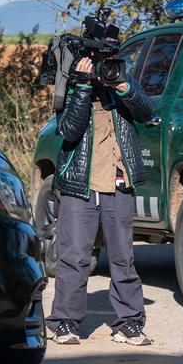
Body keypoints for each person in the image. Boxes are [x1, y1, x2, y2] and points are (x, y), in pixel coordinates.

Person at [46, 56, 156, 346]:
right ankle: (64, 322)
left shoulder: (121, 81)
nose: (101, 71)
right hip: (81, 182)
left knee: (123, 257)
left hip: (118, 182)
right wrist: (82, 86)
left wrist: (121, 85)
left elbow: (147, 112)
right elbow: (68, 130)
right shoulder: (70, 86)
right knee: (75, 256)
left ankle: (129, 323)